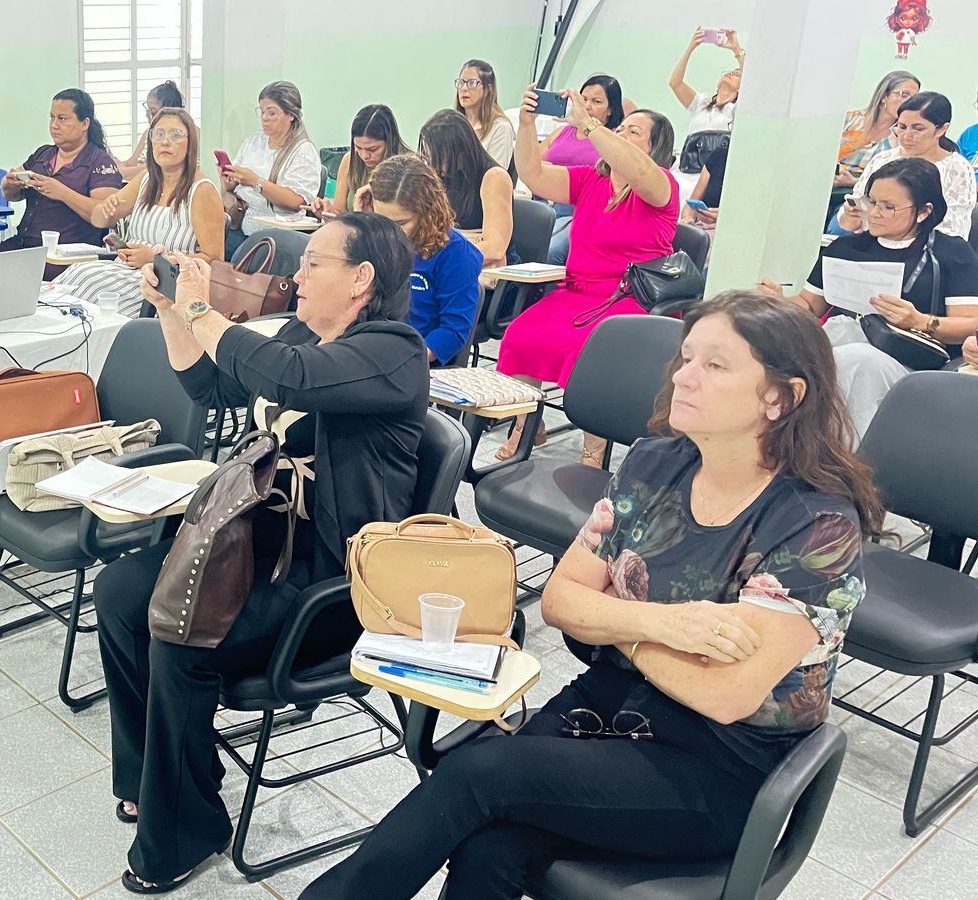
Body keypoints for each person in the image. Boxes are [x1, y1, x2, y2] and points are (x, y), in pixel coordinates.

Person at [305, 291, 880, 900]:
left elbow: (724, 695)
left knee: (477, 773)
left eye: (715, 365)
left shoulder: (817, 526)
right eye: (686, 359)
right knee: (488, 846)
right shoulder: (657, 462)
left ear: (782, 397)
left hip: (720, 766)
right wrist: (671, 626)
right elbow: (561, 602)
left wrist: (622, 625)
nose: (683, 376)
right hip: (611, 702)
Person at [96, 212, 428, 893]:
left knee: (180, 636)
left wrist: (202, 306)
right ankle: (150, 775)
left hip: (330, 583)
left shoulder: (393, 352)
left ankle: (187, 828)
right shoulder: (309, 331)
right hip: (257, 544)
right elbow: (216, 388)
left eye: (315, 265)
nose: (297, 275)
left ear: (361, 279)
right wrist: (171, 313)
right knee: (122, 594)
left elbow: (286, 376)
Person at [496, 87, 680, 465]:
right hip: (577, 291)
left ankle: (593, 453)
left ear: (654, 148)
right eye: (622, 128)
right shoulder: (590, 181)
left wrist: (590, 124)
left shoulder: (661, 186)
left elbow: (641, 171)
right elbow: (533, 174)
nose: (620, 135)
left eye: (634, 133)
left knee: (592, 353)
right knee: (520, 335)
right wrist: (527, 126)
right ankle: (527, 424)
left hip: (629, 298)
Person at [760, 157, 978, 442]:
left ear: (924, 212)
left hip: (905, 357)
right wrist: (778, 301)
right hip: (838, 342)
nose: (875, 214)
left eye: (889, 207)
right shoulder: (846, 247)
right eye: (871, 203)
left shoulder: (950, 253)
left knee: (856, 360)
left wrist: (921, 321)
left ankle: (842, 459)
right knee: (781, 349)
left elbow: (969, 324)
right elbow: (810, 306)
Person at [57, 108, 223, 316]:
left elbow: (214, 260)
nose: (165, 142)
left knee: (85, 286)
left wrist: (157, 260)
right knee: (75, 275)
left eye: (175, 135)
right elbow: (100, 218)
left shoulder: (201, 190)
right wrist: (106, 211)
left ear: (191, 144)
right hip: (126, 270)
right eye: (158, 134)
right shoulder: (146, 180)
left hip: (165, 285)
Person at [357, 154, 484, 364]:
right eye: (382, 220)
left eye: (400, 223)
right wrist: (362, 222)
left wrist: (405, 363)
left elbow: (453, 331)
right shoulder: (375, 238)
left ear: (426, 213)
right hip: (365, 348)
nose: (390, 231)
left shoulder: (456, 254)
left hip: (409, 359)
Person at [0, 88, 124, 278]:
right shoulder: (43, 154)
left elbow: (105, 215)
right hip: (25, 246)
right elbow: (10, 194)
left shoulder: (99, 163)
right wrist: (10, 184)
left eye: (62, 119)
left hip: (65, 259)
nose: (54, 125)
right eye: (52, 118)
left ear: (85, 123)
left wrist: (61, 192)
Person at [834, 92, 977, 241]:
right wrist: (851, 216)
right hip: (872, 245)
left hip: (926, 251)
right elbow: (848, 225)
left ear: (941, 129)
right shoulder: (882, 160)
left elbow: (953, 230)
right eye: (901, 127)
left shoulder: (957, 169)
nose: (907, 135)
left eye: (918, 129)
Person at [221, 81, 322, 258]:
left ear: (291, 114)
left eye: (272, 112)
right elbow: (237, 185)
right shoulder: (255, 141)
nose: (264, 118)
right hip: (240, 221)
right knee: (214, 254)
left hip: (275, 233)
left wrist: (255, 181)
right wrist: (231, 182)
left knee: (237, 259)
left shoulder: (303, 151)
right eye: (261, 111)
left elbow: (296, 201)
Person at [538, 75, 625, 265]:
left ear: (610, 109)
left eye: (596, 101)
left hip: (577, 211)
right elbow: (532, 162)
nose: (587, 106)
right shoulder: (562, 131)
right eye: (583, 99)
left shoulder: (611, 140)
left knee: (549, 250)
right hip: (544, 202)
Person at [418, 108, 514, 268]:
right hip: (456, 262)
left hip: (488, 275)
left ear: (461, 150)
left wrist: (443, 258)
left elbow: (495, 248)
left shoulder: (494, 178)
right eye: (429, 157)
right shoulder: (438, 176)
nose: (433, 165)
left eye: (440, 158)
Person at [310, 103, 411, 218]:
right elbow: (340, 213)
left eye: (372, 149)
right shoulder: (349, 161)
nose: (364, 156)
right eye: (358, 147)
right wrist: (326, 212)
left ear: (390, 141)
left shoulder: (409, 166)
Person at [836, 71, 920, 190]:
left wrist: (853, 182)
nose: (909, 102)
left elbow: (896, 180)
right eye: (904, 95)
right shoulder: (851, 119)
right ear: (884, 96)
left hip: (864, 192)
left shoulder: (901, 137)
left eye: (914, 98)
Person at [668, 27, 744, 136]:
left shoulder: (737, 108)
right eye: (727, 72)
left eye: (736, 74)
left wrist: (736, 49)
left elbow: (753, 81)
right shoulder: (701, 102)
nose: (729, 74)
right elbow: (675, 83)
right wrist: (691, 48)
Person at [119, 80, 185, 180]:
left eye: (153, 112)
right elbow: (131, 162)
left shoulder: (181, 135)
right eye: (148, 110)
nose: (147, 115)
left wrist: (123, 171)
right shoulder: (148, 132)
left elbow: (159, 168)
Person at [455, 59, 516, 167]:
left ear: (488, 89)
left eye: (472, 83)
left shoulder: (501, 128)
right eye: (461, 82)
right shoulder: (454, 124)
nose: (464, 88)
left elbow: (497, 175)